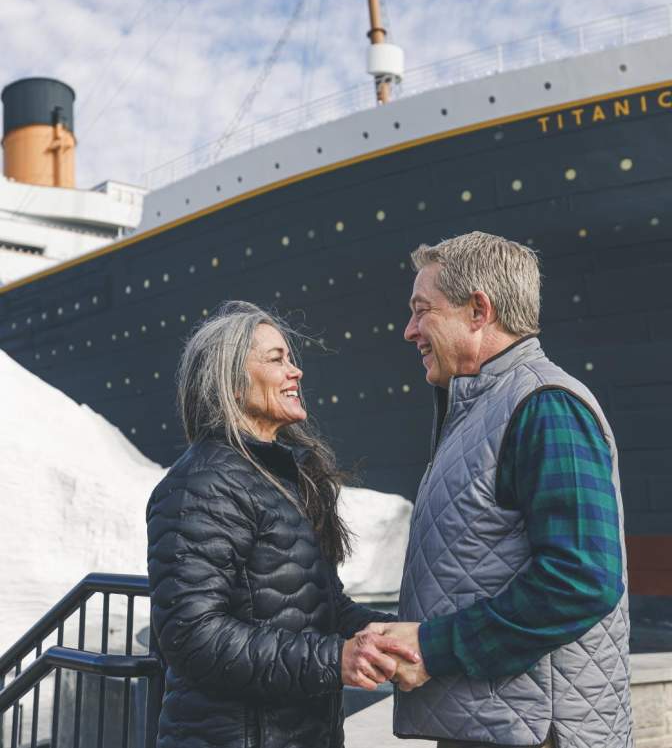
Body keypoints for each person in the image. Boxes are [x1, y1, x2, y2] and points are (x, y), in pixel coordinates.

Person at [368, 232, 633, 748]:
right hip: (502, 725)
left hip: (536, 733)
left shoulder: (545, 406)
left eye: (422, 311)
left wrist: (433, 647)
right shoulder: (481, 409)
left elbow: (583, 580)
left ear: (478, 310)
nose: (409, 331)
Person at [146, 301, 419, 748]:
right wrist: (337, 658)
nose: (296, 372)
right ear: (231, 384)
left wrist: (402, 634)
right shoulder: (202, 484)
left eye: (291, 358)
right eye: (276, 359)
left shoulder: (281, 477)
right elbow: (193, 638)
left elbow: (322, 609)